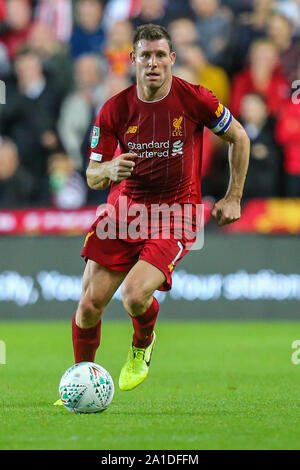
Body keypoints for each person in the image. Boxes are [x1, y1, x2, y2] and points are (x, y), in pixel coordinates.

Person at [54, 24, 249, 403]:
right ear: (133, 61)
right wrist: (109, 170)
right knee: (90, 304)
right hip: (124, 213)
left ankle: (142, 341)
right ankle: (80, 381)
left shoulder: (196, 99)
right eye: (145, 55)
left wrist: (234, 196)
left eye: (161, 55)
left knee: (133, 296)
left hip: (176, 213)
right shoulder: (115, 109)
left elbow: (239, 136)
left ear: (172, 60)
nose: (154, 63)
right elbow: (93, 174)